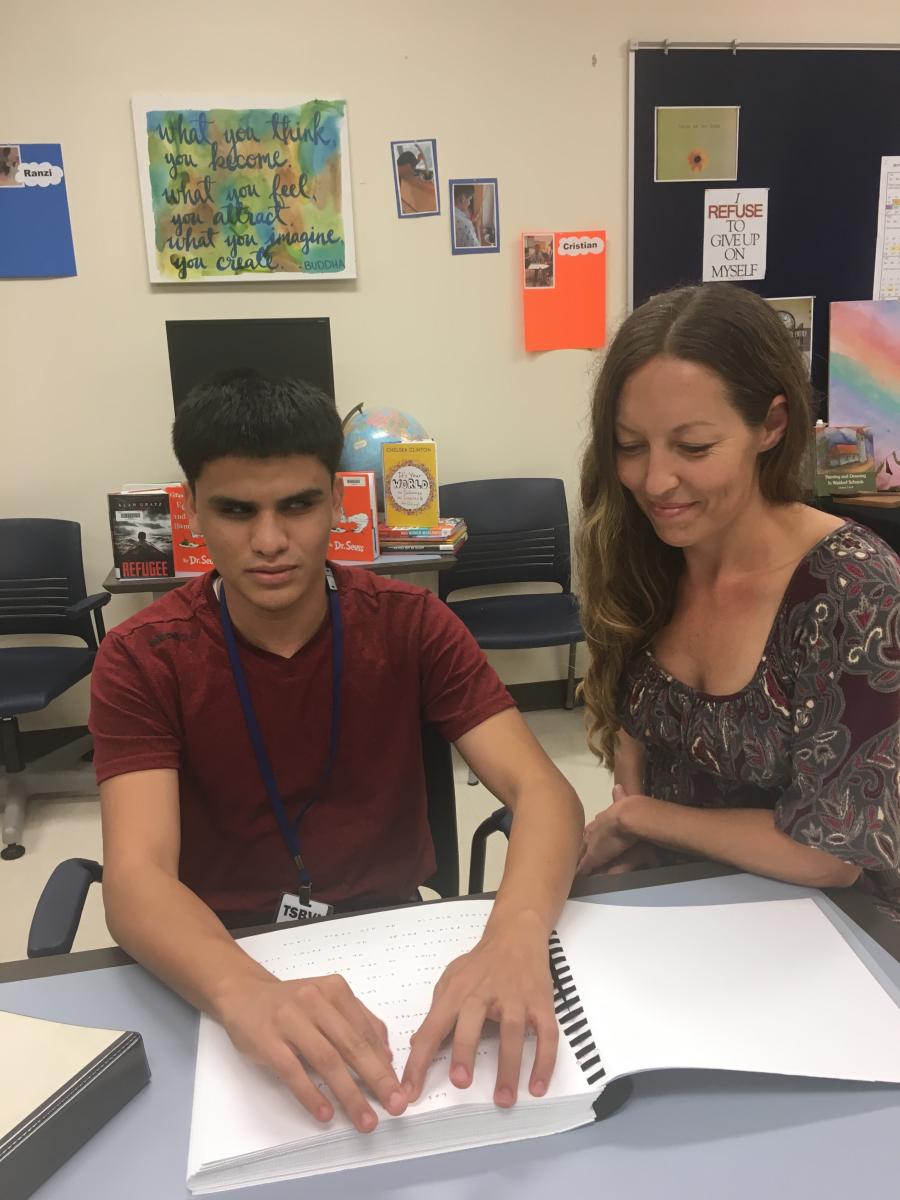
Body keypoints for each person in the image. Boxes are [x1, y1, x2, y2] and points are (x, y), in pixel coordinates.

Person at [91, 369, 583, 1136]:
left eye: (298, 504)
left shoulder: (412, 625)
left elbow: (545, 793)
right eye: (234, 510)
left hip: (396, 946)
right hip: (222, 954)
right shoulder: (142, 657)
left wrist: (515, 936)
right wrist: (244, 991)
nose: (269, 541)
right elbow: (135, 879)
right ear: (191, 510)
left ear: (338, 500)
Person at [575, 283, 900, 917]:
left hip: (826, 933)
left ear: (771, 426)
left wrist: (641, 819)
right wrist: (641, 831)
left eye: (694, 448)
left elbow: (828, 853)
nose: (655, 480)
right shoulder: (644, 555)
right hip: (686, 906)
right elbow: (635, 728)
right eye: (630, 445)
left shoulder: (855, 594)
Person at [395, 147, 437, 215]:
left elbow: (408, 167)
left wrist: (418, 159)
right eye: (411, 170)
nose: (412, 171)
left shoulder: (400, 170)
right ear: (407, 166)